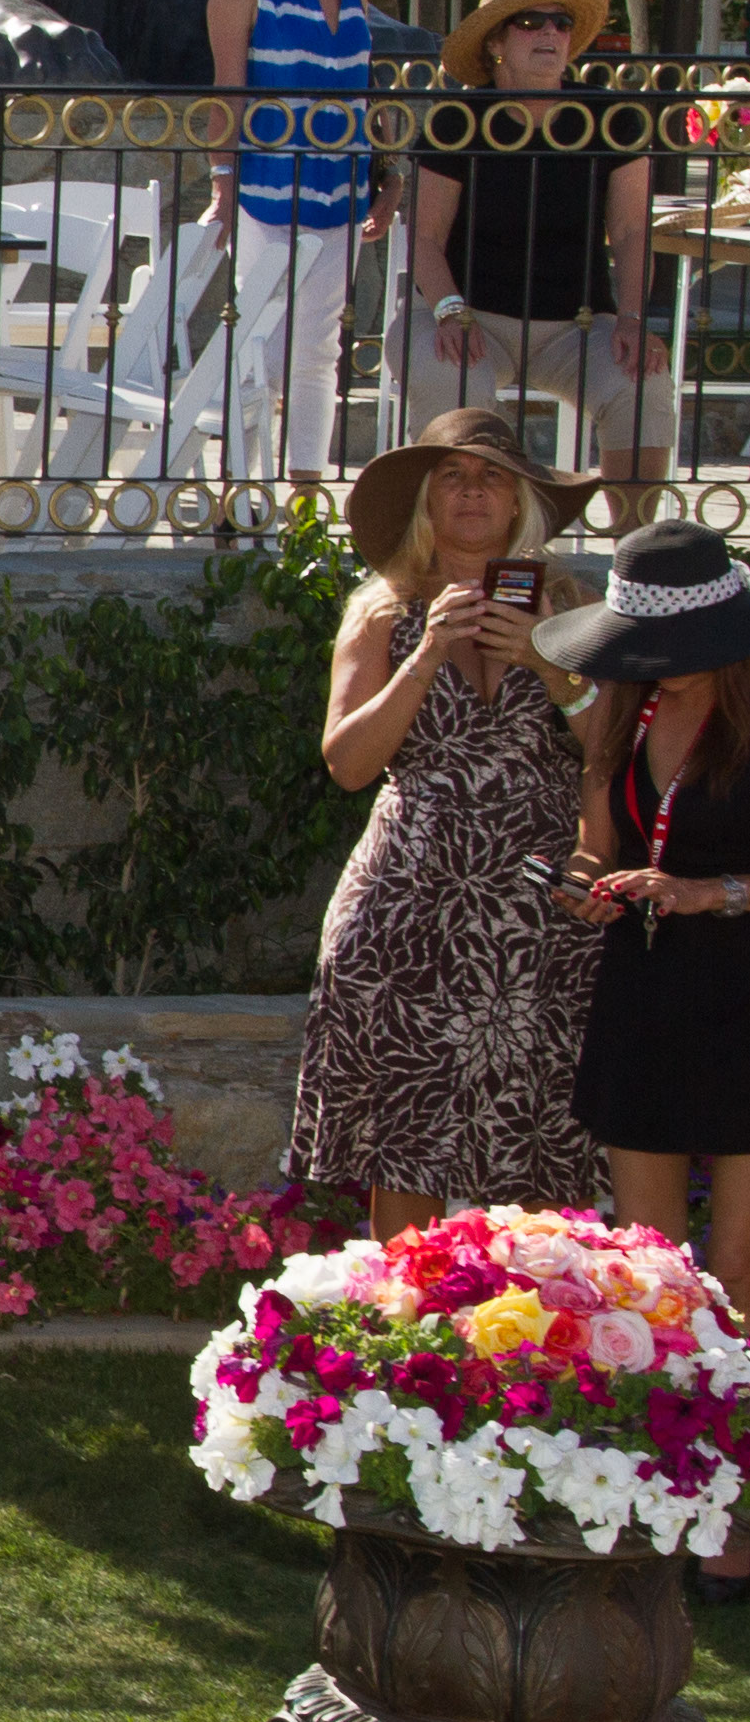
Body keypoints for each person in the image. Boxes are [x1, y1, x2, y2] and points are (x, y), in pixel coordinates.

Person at [287, 410, 603, 1239]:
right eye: (452, 476)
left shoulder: (574, 608)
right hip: (408, 906)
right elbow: (347, 763)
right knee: (406, 1143)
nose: (472, 491)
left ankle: (531, 1316)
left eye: (492, 476)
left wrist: (550, 666)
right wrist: (424, 656)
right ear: (425, 500)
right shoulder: (381, 612)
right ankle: (406, 1313)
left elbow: (618, 754)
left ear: (519, 501)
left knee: (540, 1142)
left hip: (541, 910)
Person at [536, 519, 750, 1303]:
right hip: (645, 990)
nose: (655, 660)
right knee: (649, 1268)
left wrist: (709, 891)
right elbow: (595, 845)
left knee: (736, 1267)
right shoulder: (625, 710)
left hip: (742, 992)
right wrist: (582, 883)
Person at [181, 0, 388, 488]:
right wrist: (222, 183)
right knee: (260, 346)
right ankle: (239, 489)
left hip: (343, 187)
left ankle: (303, 497)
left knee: (319, 349)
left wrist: (391, 180)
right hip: (266, 186)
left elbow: (364, 91)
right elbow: (228, 92)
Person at [412, 0, 665, 509]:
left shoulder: (613, 116)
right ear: (495, 42)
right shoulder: (457, 118)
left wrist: (633, 318)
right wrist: (450, 311)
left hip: (578, 324)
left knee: (643, 383)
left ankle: (637, 545)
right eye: (530, 22)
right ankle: (456, 539)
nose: (550, 32)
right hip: (469, 316)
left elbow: (631, 231)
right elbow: (425, 236)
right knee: (447, 376)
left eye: (561, 22)